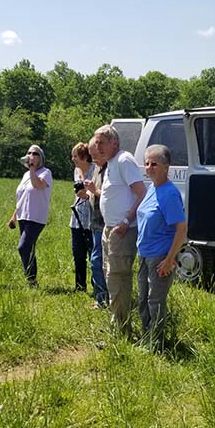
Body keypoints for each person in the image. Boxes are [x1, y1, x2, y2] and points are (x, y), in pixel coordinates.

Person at [85, 125, 145, 333]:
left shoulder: (123, 160)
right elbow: (116, 194)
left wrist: (126, 221)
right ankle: (117, 323)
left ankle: (122, 329)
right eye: (97, 142)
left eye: (102, 142)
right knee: (109, 275)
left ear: (114, 143)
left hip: (122, 230)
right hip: (109, 228)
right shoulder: (110, 163)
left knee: (118, 276)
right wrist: (96, 191)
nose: (98, 147)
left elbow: (141, 192)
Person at [135, 145, 187, 344]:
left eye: (154, 164)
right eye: (147, 163)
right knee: (142, 299)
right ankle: (146, 336)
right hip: (144, 254)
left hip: (160, 257)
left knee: (155, 301)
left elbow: (181, 229)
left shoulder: (170, 193)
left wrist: (169, 259)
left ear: (166, 167)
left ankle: (156, 343)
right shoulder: (152, 188)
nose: (149, 167)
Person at [8, 145, 52, 287]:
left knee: (23, 247)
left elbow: (37, 185)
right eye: (29, 153)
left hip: (37, 217)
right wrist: (14, 217)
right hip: (23, 216)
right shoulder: (26, 175)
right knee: (30, 248)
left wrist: (33, 169)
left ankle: (30, 278)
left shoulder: (46, 172)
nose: (31, 155)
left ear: (41, 157)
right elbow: (22, 197)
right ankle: (32, 281)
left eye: (35, 154)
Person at [85, 137, 109, 308]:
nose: (93, 158)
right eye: (91, 154)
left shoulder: (110, 169)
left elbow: (110, 196)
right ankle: (102, 298)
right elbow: (95, 194)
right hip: (95, 222)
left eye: (95, 154)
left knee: (97, 261)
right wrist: (87, 195)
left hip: (104, 223)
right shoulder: (97, 169)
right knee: (96, 261)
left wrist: (95, 191)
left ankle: (103, 299)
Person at [69, 142, 95, 292]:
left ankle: (96, 285)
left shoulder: (95, 170)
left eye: (75, 156)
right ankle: (80, 286)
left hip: (91, 218)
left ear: (84, 157)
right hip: (77, 217)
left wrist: (87, 195)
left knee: (93, 255)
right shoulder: (76, 171)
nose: (73, 159)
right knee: (78, 254)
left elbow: (93, 191)